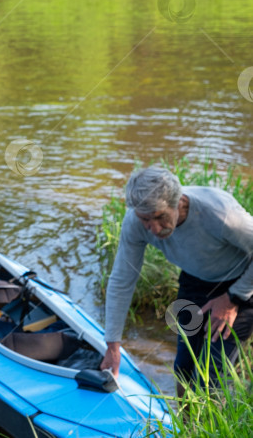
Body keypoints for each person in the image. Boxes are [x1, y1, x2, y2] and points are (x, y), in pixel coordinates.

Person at [101, 166, 253, 393]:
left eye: (160, 217)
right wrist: (112, 346)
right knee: (183, 367)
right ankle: (185, 426)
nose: (153, 229)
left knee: (210, 378)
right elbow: (122, 279)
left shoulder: (221, 214)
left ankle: (213, 425)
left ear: (179, 202)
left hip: (241, 283)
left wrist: (232, 298)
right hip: (195, 279)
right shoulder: (135, 221)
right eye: (145, 220)